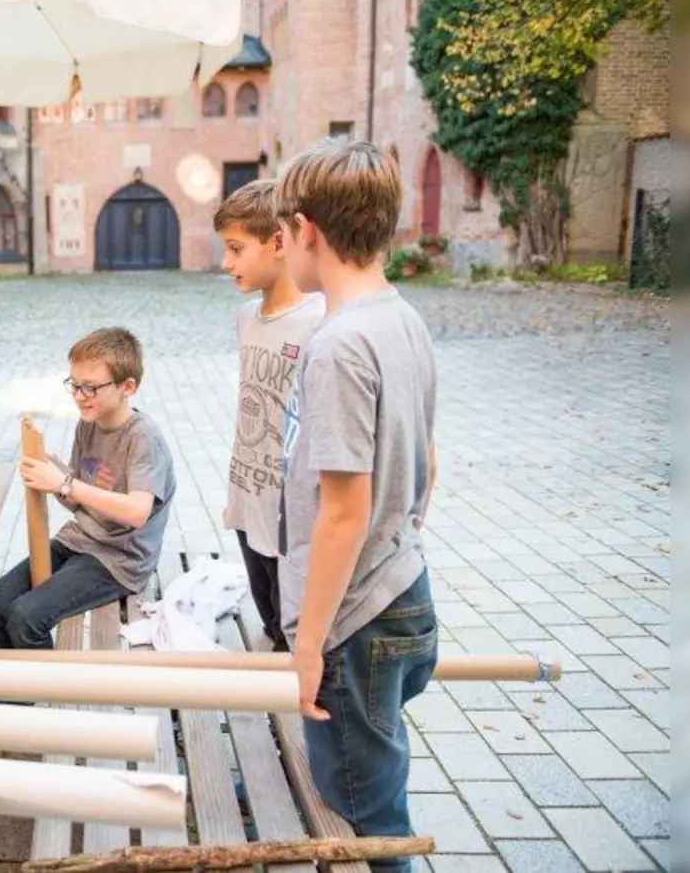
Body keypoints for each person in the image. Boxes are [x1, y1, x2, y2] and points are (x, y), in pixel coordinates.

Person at [276, 138, 439, 872]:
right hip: (406, 592)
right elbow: (428, 462)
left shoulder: (338, 345)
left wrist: (309, 645)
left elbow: (344, 511)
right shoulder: (401, 316)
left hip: (358, 624)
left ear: (307, 231)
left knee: (364, 821)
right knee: (374, 792)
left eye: (284, 232)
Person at [0, 327, 176, 650]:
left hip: (120, 560)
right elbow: (80, 499)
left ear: (128, 386)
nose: (80, 395)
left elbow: (137, 512)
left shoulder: (143, 438)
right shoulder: (88, 423)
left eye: (92, 387)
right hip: (80, 540)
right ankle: (11, 692)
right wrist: (56, 477)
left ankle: (41, 694)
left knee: (25, 618)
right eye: (75, 385)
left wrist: (65, 483)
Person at [213, 179, 325, 653]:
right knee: (271, 627)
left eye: (236, 249)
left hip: (290, 519)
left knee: (294, 641)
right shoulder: (245, 318)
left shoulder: (320, 320)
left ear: (278, 242)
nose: (226, 263)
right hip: (248, 499)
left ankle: (295, 728)